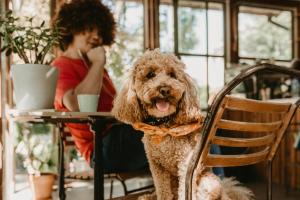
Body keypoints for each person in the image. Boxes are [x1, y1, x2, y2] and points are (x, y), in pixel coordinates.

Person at [51, 0, 147, 173]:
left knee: (186, 134)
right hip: (101, 150)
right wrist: (98, 63)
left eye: (100, 32)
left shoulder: (97, 69)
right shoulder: (60, 66)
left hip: (122, 138)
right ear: (73, 27)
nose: (97, 37)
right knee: (168, 135)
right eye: (90, 28)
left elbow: (117, 110)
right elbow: (78, 106)